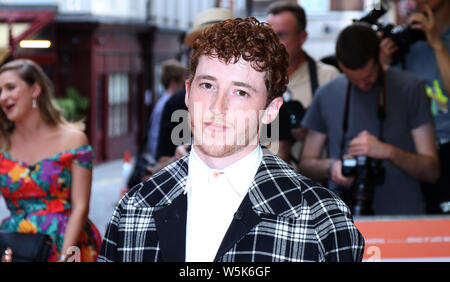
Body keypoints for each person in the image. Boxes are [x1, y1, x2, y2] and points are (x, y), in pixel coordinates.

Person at [98, 17, 364, 262]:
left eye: (240, 92)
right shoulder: (135, 209)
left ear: (271, 109)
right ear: (188, 94)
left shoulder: (322, 218)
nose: (218, 106)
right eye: (208, 85)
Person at [299, 23, 440, 215]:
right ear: (340, 65)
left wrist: (388, 151)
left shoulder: (411, 88)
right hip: (343, 220)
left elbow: (431, 170)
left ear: (379, 55)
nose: (362, 85)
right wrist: (333, 167)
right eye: (353, 80)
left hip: (404, 219)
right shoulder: (327, 93)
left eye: (369, 77)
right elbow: (306, 165)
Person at [0, 59, 102, 262]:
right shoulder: (2, 143)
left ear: (35, 89)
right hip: (15, 248)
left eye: (10, 87)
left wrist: (65, 256)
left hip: (68, 243)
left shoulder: (74, 139)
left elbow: (81, 207)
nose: (3, 97)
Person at [380, 0, 450, 214]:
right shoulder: (405, 40)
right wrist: (383, 64)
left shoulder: (440, 40)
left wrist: (437, 44)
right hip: (410, 154)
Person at [154, 8, 235, 166]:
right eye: (205, 45)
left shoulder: (255, 98)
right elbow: (161, 163)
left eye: (224, 45)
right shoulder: (177, 103)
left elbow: (276, 154)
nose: (215, 53)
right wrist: (179, 159)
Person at [265, 1, 340, 164]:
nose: (274, 43)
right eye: (269, 35)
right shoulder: (255, 79)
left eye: (282, 35)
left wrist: (314, 127)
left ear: (303, 37)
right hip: (264, 180)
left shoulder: (327, 77)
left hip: (314, 182)